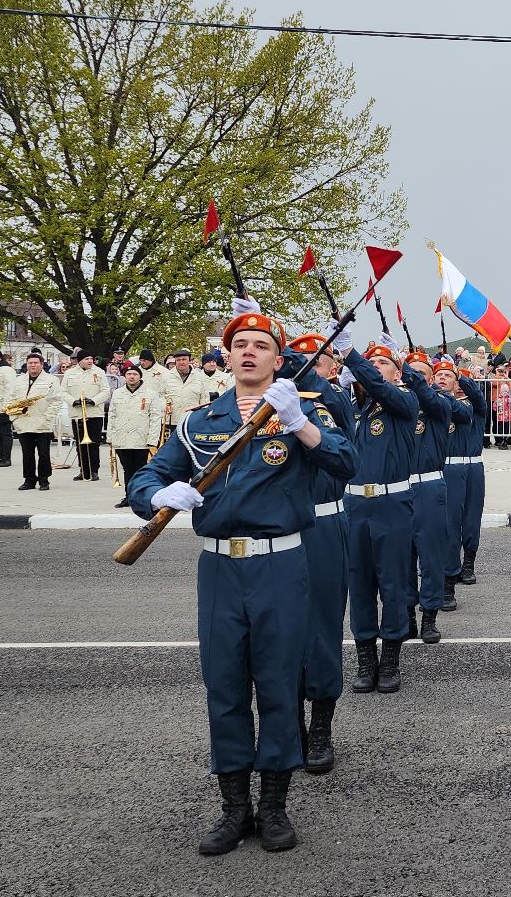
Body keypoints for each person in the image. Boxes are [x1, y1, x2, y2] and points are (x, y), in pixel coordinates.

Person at [128, 308, 356, 855]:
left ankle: (275, 807)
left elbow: (346, 461)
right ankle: (234, 808)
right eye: (240, 345)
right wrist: (157, 496)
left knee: (279, 683)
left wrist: (301, 422)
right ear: (226, 358)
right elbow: (149, 474)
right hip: (220, 569)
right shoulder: (199, 421)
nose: (249, 352)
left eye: (261, 345)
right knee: (225, 685)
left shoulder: (299, 413)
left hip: (281, 565)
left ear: (280, 361)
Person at [282, 328, 358, 775]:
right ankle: (288, 725)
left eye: (321, 361)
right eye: (304, 359)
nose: (313, 367)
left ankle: (321, 726)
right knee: (281, 631)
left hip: (325, 524)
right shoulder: (276, 403)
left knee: (323, 627)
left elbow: (337, 428)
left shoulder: (334, 404)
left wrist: (296, 359)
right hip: (282, 523)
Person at [341, 339, 423, 694]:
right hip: (355, 507)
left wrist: (351, 354)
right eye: (369, 362)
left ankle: (390, 656)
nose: (374, 368)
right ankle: (365, 656)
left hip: (392, 505)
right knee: (359, 586)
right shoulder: (351, 406)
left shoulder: (404, 402)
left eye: (382, 363)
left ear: (397, 371)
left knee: (392, 584)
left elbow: (377, 387)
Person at [399, 350, 464, 629]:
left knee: (430, 555)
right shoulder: (398, 404)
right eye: (411, 372)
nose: (415, 378)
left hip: (428, 485)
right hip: (399, 487)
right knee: (401, 558)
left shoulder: (440, 402)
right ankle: (408, 614)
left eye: (422, 373)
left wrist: (403, 367)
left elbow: (429, 397)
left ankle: (429, 616)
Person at [437, 360, 488, 588]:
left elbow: (475, 395)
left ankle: (468, 563)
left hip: (473, 467)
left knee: (471, 518)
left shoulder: (474, 405)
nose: (445, 380)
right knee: (449, 521)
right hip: (447, 467)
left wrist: (460, 376)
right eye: (440, 376)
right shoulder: (436, 404)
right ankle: (450, 565)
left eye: (450, 377)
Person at [107, 364, 163, 509]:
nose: (132, 377)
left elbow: (156, 417)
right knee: (127, 469)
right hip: (122, 438)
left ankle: (141, 497)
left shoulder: (150, 394)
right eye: (129, 374)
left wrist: (152, 439)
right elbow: (112, 415)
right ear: (125, 377)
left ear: (140, 376)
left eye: (135, 374)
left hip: (141, 438)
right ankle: (129, 496)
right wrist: (110, 436)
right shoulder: (117, 393)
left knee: (141, 469)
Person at [8, 352, 61, 490]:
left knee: (44, 454)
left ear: (41, 364)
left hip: (43, 424)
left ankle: (44, 480)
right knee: (27, 454)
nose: (33, 365)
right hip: (23, 423)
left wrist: (46, 418)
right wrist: (14, 419)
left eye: (36, 363)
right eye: (30, 363)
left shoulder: (51, 380)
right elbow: (11, 401)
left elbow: (56, 402)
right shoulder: (18, 381)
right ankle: (29, 479)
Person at [63, 350, 110, 482]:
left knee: (93, 442)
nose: (90, 361)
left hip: (94, 413)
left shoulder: (99, 372)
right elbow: (63, 391)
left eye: (91, 358)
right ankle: (83, 470)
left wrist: (94, 400)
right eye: (86, 359)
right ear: (79, 360)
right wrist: (73, 401)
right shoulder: (69, 373)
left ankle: (94, 470)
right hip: (77, 413)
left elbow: (106, 391)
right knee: (80, 443)